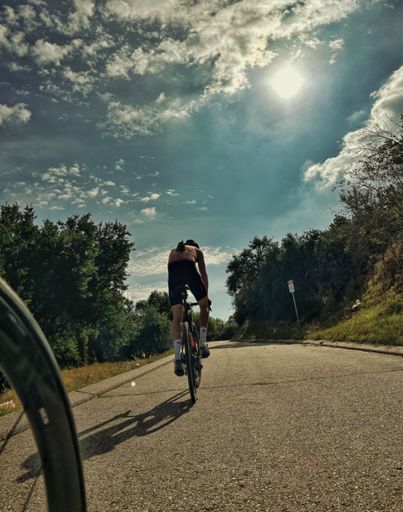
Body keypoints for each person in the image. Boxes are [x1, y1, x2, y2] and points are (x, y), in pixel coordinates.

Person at [168, 239, 210, 376]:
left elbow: (172, 270)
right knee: (204, 306)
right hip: (187, 266)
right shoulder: (197, 251)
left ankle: (177, 358)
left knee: (176, 318)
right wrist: (205, 297)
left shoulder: (174, 251)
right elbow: (203, 275)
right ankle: (202, 344)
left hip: (173, 270)